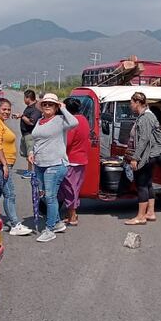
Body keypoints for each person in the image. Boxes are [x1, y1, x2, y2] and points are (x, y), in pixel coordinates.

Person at [29, 93, 78, 242]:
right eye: (45, 104)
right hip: (40, 164)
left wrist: (63, 108)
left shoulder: (60, 120)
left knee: (50, 197)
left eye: (51, 104)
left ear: (56, 106)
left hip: (55, 164)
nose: (47, 106)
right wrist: (31, 151)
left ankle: (50, 229)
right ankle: (57, 222)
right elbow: (36, 139)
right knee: (45, 195)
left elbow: (74, 122)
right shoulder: (40, 121)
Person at [0, 98, 33, 237]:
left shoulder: (0, 122)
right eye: (4, 109)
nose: (7, 112)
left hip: (2, 164)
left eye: (8, 109)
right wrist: (4, 164)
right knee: (10, 194)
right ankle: (14, 225)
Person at [124, 92, 161, 225]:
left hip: (147, 155)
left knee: (141, 184)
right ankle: (150, 212)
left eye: (131, 103)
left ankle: (140, 216)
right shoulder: (147, 116)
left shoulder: (145, 118)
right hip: (151, 154)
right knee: (148, 183)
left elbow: (144, 139)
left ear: (137, 103)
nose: (130, 106)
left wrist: (135, 158)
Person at [58, 97, 90, 227]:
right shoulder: (84, 120)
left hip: (71, 159)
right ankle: (71, 213)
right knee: (74, 188)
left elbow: (67, 142)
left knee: (69, 189)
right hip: (81, 159)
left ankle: (72, 215)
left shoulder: (72, 123)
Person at [14, 90, 41, 179]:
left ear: (28, 98)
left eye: (25, 98)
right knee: (27, 154)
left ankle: (31, 172)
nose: (24, 100)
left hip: (30, 135)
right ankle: (29, 170)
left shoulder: (35, 109)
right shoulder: (29, 107)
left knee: (31, 154)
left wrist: (22, 116)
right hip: (25, 134)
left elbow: (31, 122)